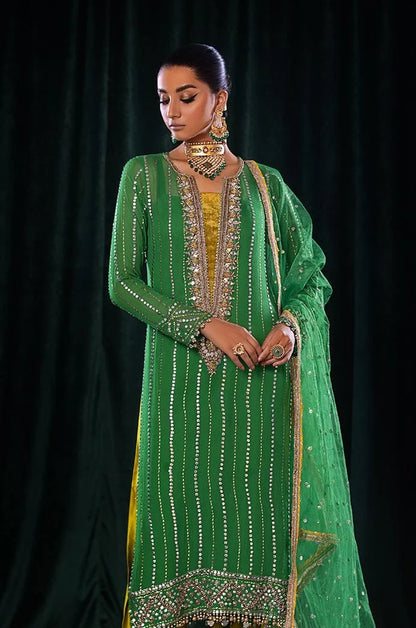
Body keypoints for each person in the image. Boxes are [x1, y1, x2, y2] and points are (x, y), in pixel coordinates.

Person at [108, 43, 375, 628]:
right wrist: (205, 323)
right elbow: (122, 284)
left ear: (219, 98)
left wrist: (288, 326)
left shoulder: (264, 184)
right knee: (175, 531)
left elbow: (310, 277)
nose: (172, 112)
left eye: (187, 96)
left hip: (261, 393)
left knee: (258, 545)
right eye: (163, 100)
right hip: (180, 394)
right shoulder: (143, 176)